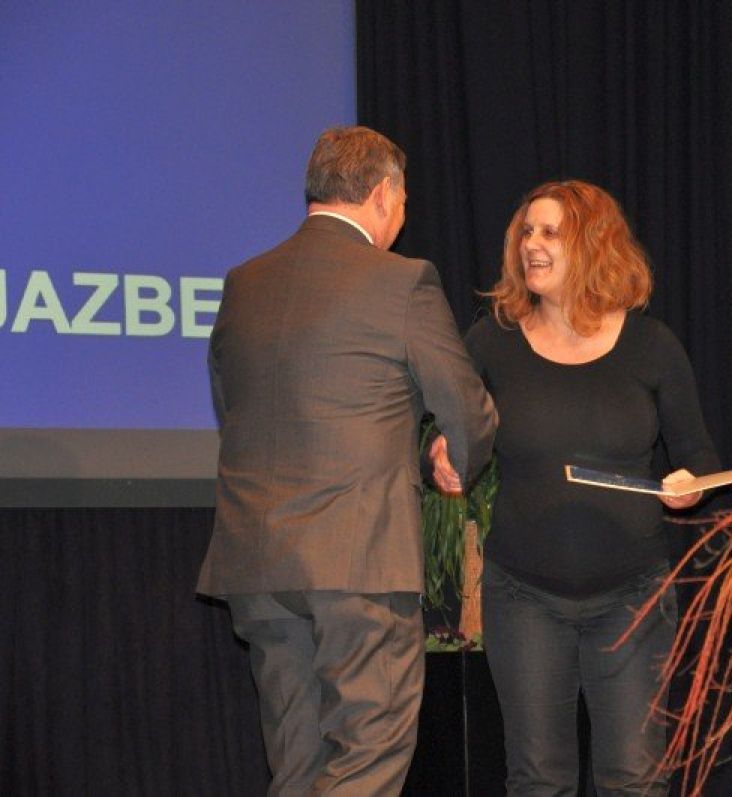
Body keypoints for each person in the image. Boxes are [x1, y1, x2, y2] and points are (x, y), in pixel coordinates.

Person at [196, 125, 497, 795]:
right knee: (367, 756)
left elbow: (231, 403)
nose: (403, 215)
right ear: (383, 193)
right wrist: (457, 459)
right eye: (404, 200)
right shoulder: (403, 281)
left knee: (296, 767)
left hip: (259, 563)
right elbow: (466, 406)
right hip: (358, 562)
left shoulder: (245, 282)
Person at [430, 180, 721, 795]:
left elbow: (697, 457)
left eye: (551, 233)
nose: (531, 245)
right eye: (526, 232)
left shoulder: (652, 346)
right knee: (538, 779)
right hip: (524, 596)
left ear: (594, 245)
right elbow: (443, 429)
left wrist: (689, 486)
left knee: (635, 779)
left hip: (634, 598)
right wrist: (440, 453)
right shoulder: (492, 341)